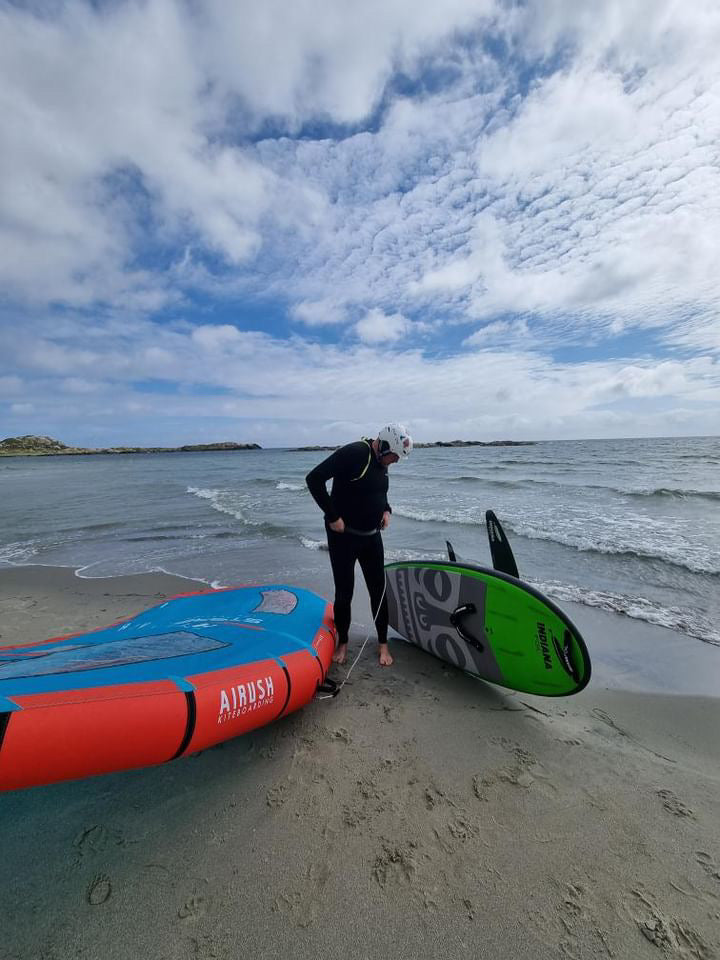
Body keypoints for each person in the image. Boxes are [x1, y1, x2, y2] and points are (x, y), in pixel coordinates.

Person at [305, 423, 413, 667]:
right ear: (384, 446)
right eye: (394, 457)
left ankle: (382, 643)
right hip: (343, 537)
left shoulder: (382, 462)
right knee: (345, 592)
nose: (395, 461)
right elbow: (314, 479)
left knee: (379, 590)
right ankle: (343, 642)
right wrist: (333, 517)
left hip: (371, 535)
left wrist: (387, 510)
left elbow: (379, 492)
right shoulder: (354, 453)